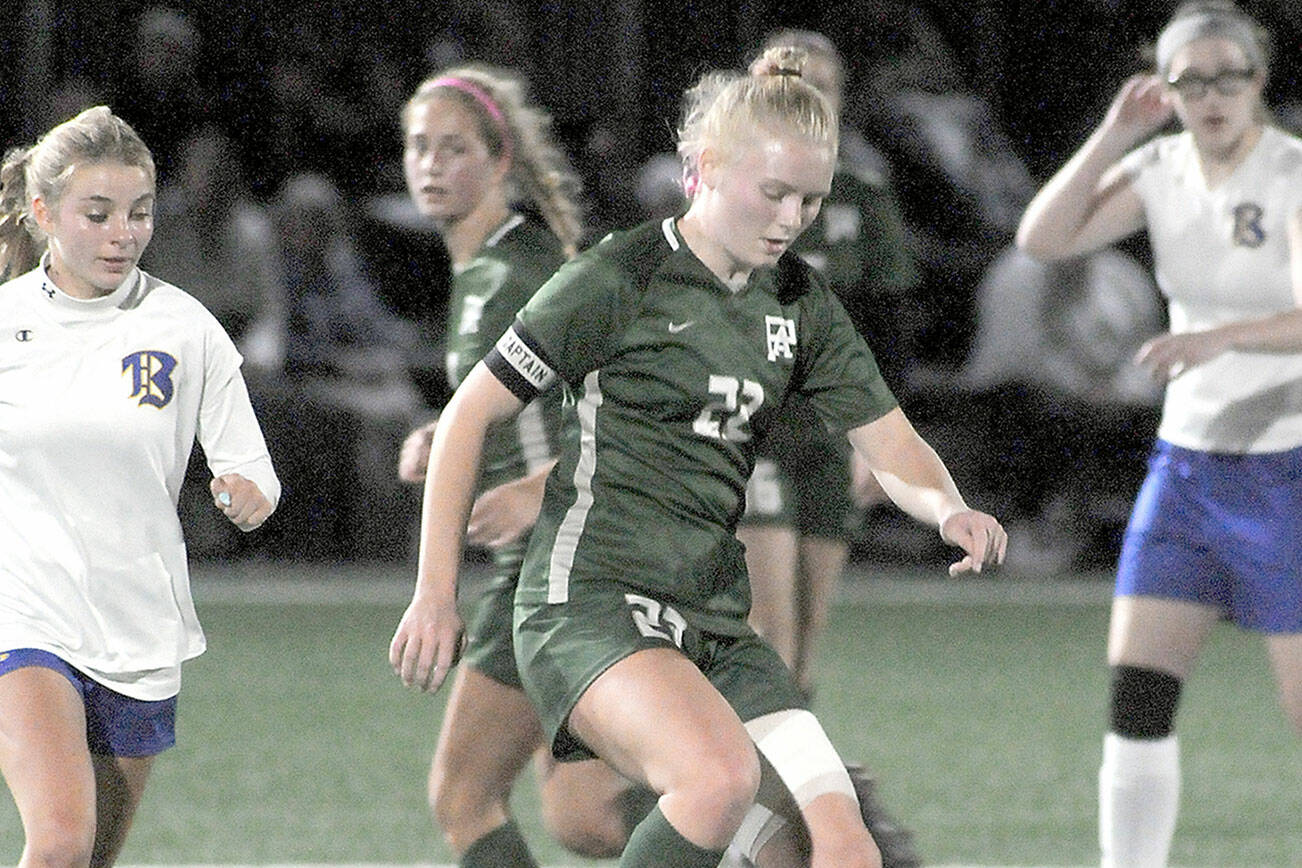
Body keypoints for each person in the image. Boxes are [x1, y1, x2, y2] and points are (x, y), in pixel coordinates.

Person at [390, 47, 1006, 868]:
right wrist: (435, 593)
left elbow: (888, 437)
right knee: (714, 784)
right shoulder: (621, 277)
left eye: (811, 200)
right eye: (774, 193)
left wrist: (948, 506)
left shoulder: (796, 303)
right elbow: (470, 418)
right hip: (589, 599)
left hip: (710, 616)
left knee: (847, 847)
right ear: (703, 167)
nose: (792, 219)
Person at [1015, 3, 1302, 865]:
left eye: (1230, 76)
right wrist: (1111, 136)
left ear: (1259, 81)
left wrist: (1221, 337)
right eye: (1190, 80)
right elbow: (1043, 238)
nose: (1212, 96)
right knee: (1137, 698)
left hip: (1285, 472)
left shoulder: (1291, 172)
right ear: (1164, 87)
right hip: (1186, 473)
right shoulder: (1161, 167)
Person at [0, 106, 279, 866]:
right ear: (43, 213)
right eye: (98, 214)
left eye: (140, 213)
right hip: (24, 615)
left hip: (138, 624)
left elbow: (251, 465)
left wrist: (249, 492)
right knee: (59, 842)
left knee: (89, 858)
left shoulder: (184, 327)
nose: (123, 232)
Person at [392, 66, 648, 865]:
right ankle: (785, 827)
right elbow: (522, 396)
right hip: (563, 559)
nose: (431, 165)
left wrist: (539, 487)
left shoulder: (517, 272)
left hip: (557, 559)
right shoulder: (486, 268)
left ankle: (795, 826)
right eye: (418, 147)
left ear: (501, 163)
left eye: (454, 149)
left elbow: (637, 393)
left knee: (463, 795)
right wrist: (453, 436)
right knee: (587, 817)